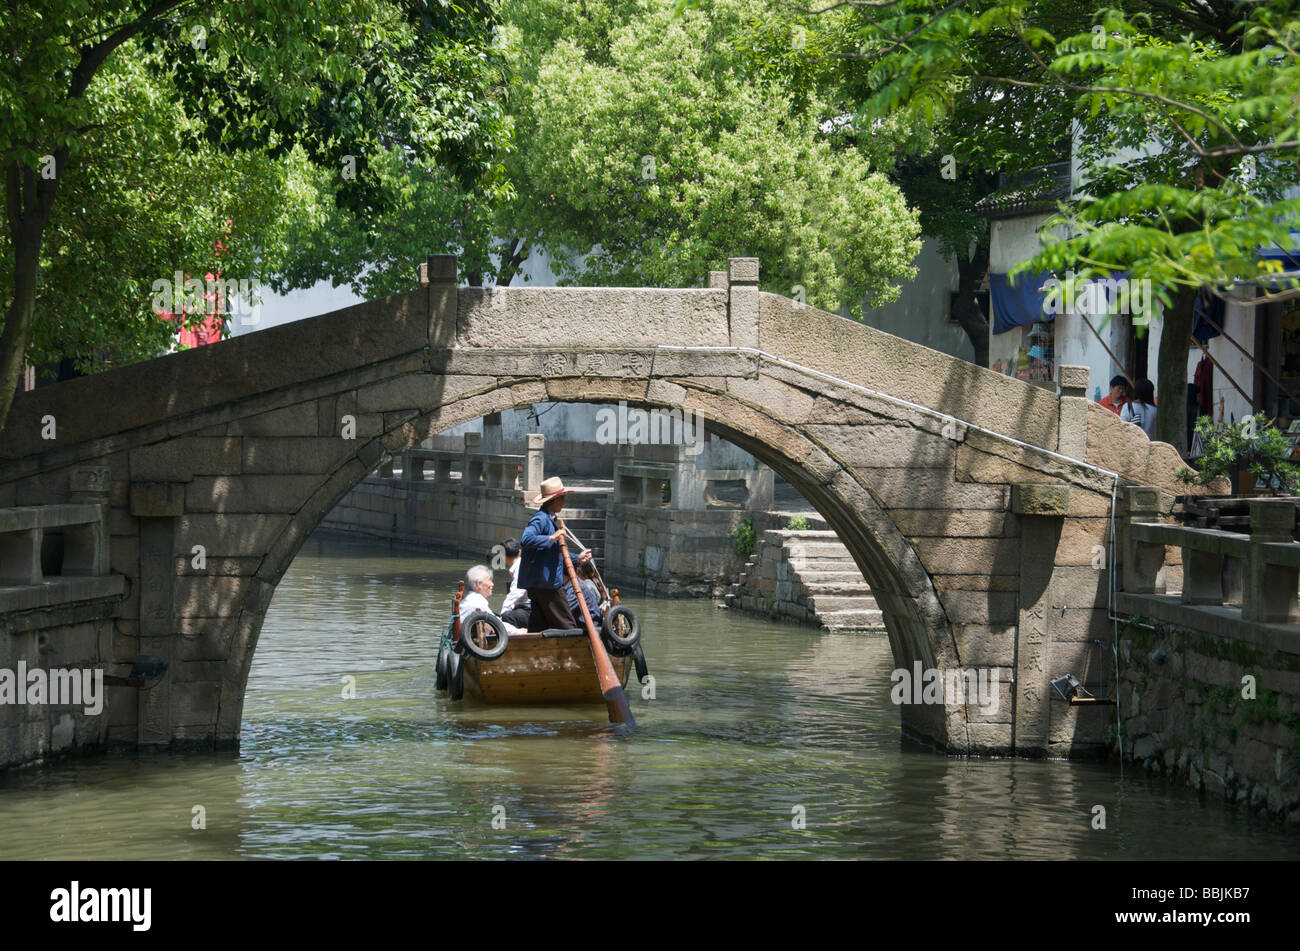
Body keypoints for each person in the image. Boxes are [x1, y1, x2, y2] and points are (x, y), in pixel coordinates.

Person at [519, 476, 592, 631]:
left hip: (539, 583)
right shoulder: (541, 518)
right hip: (547, 583)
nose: (564, 501)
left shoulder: (550, 519)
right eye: (563, 498)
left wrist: (577, 558)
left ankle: (535, 653)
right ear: (556, 499)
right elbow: (526, 539)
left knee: (539, 625)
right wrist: (551, 537)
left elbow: (554, 554)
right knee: (566, 624)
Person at [460, 564, 526, 636]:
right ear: (479, 584)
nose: (492, 584)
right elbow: (498, 625)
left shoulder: (472, 598)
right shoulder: (477, 603)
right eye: (489, 580)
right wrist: (520, 632)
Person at [497, 538, 532, 629]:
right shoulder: (523, 565)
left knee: (506, 617)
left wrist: (503, 612)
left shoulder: (520, 568)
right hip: (525, 608)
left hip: (529, 610)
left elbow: (516, 593)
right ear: (519, 552)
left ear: (502, 556)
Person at [565, 559, 604, 626]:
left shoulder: (586, 586)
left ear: (578, 571)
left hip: (590, 624)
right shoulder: (588, 583)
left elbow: (566, 610)